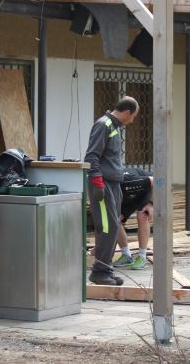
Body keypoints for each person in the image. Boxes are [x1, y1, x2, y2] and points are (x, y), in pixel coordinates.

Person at [84, 96, 139, 286]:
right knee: (107, 228)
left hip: (114, 184)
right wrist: (97, 182)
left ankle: (106, 268)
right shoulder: (104, 124)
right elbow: (92, 155)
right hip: (103, 184)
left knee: (114, 226)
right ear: (127, 112)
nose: (132, 121)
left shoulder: (114, 126)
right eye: (133, 117)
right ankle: (99, 272)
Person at [113, 167, 153, 270]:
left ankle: (142, 256)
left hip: (146, 190)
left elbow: (155, 181)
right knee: (114, 220)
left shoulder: (129, 181)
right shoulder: (108, 190)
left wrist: (151, 203)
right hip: (128, 196)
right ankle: (126, 255)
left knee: (142, 214)